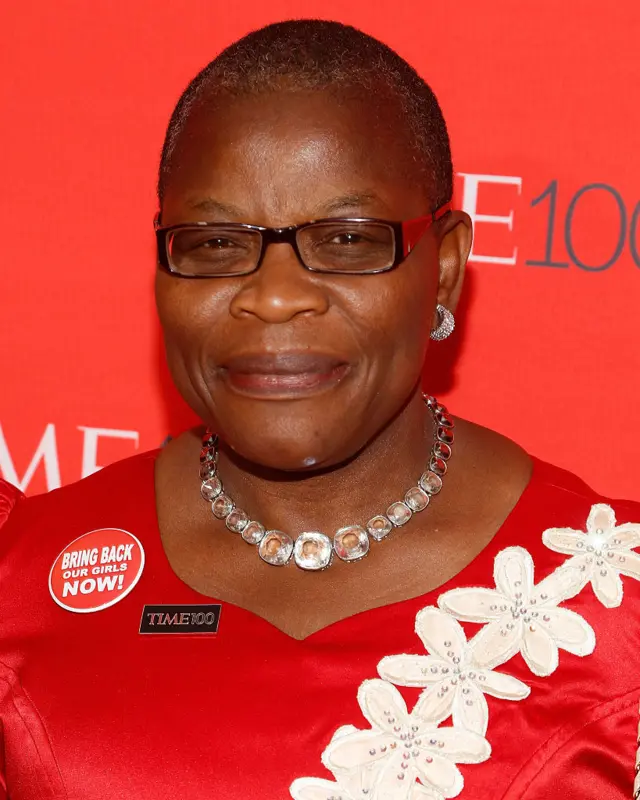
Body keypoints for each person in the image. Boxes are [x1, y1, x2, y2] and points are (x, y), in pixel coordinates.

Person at [0, 19, 639, 800]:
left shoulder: (614, 613)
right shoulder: (20, 574)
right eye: (214, 242)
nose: (273, 296)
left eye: (346, 239)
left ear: (442, 270)